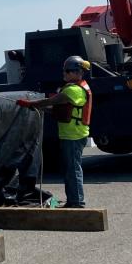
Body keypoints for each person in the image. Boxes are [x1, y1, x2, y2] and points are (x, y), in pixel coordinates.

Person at [20, 54, 92, 208]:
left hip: (74, 136)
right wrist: (35, 107)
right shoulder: (76, 88)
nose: (64, 74)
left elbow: (52, 101)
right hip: (72, 135)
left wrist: (31, 103)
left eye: (66, 71)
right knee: (69, 169)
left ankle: (76, 202)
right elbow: (57, 110)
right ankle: (74, 200)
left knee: (73, 170)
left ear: (75, 72)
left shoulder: (74, 90)